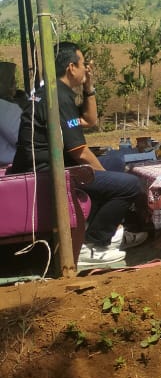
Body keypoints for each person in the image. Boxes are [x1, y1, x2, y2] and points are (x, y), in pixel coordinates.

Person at [10, 41, 148, 271]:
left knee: (115, 159)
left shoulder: (54, 91)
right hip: (48, 174)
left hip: (54, 166)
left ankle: (104, 225)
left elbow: (89, 121)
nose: (86, 69)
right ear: (71, 68)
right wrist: (108, 182)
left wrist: (89, 86)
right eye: (83, 64)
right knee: (130, 185)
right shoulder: (58, 98)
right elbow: (80, 152)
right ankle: (92, 244)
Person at [0, 61, 23, 166]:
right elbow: (21, 137)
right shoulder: (5, 107)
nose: (15, 85)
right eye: (12, 81)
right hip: (8, 166)